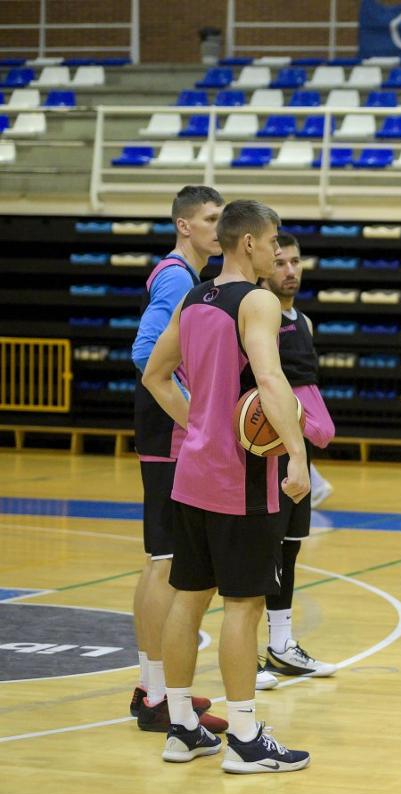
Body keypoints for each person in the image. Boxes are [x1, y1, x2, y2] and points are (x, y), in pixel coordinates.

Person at [142, 199, 311, 773]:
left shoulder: (194, 298)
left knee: (188, 598)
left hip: (192, 472)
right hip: (242, 479)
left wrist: (199, 425)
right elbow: (270, 379)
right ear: (250, 244)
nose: (276, 252)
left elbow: (155, 375)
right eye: (272, 242)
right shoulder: (257, 300)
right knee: (244, 604)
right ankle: (243, 736)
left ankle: (181, 727)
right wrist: (296, 455)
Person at [129, 185, 227, 734]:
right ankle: (157, 696)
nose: (219, 227)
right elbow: (147, 353)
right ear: (184, 226)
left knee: (159, 559)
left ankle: (153, 687)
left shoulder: (184, 276)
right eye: (211, 219)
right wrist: (195, 417)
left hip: (162, 426)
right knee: (166, 561)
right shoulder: (177, 278)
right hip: (168, 428)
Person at [257, 233, 338, 684]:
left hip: (297, 451)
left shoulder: (303, 321)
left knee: (289, 549)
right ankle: (245, 655)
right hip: (267, 452)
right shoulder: (259, 315)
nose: (290, 270)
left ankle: (282, 646)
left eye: (295, 261)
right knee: (261, 552)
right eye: (280, 262)